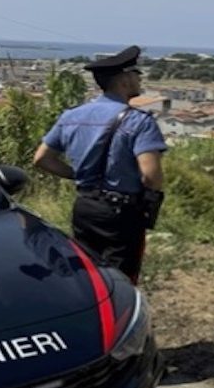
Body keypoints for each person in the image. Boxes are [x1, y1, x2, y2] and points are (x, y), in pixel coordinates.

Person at [34, 45, 167, 284]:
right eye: (137, 74)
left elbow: (42, 159)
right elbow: (151, 176)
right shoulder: (139, 121)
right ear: (125, 80)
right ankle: (119, 318)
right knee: (121, 280)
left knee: (87, 273)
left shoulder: (72, 116)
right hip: (123, 212)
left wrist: (78, 175)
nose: (140, 79)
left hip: (85, 206)